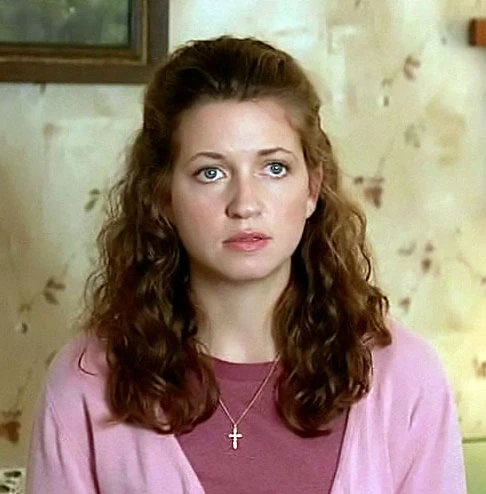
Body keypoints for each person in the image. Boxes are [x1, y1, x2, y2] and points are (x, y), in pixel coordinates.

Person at [26, 36, 466, 493]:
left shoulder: (406, 378)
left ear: (312, 189)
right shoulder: (85, 382)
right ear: (163, 196)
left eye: (274, 168)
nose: (245, 204)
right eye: (210, 172)